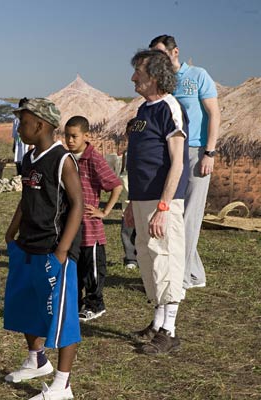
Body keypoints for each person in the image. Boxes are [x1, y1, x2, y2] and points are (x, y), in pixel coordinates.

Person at [3, 98, 83, 400]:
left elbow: (78, 204)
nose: (19, 129)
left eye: (23, 123)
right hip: (27, 244)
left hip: (54, 248)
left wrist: (63, 249)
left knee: (61, 317)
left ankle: (63, 384)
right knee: (26, 304)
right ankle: (37, 360)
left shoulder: (62, 159)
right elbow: (26, 199)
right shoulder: (29, 158)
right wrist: (12, 230)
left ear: (40, 124)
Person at [124, 49, 189, 355]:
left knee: (166, 257)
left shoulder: (169, 108)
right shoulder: (142, 111)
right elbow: (138, 160)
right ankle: (157, 320)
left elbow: (177, 163)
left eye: (139, 72)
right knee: (147, 257)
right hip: (141, 197)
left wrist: (164, 206)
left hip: (163, 199)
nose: (133, 77)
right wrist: (130, 202)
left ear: (155, 76)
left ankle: (170, 331)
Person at [149, 35, 221, 290]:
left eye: (161, 53)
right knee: (176, 213)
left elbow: (214, 114)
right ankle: (194, 274)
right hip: (170, 152)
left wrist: (209, 153)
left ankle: (181, 275)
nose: (158, 59)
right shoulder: (162, 83)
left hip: (195, 151)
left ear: (175, 51)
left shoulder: (199, 76)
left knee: (190, 214)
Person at [64, 116, 123, 322]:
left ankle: (95, 304)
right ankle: (76, 304)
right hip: (71, 225)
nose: (70, 140)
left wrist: (104, 212)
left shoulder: (94, 159)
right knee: (75, 268)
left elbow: (116, 185)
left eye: (74, 136)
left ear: (86, 136)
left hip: (90, 227)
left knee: (93, 270)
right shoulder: (66, 159)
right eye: (67, 136)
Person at [120, 118, 138, 270]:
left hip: (141, 195)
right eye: (129, 133)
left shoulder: (146, 151)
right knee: (127, 229)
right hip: (127, 198)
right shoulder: (126, 153)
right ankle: (130, 258)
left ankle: (141, 256)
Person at [11, 97, 30, 175]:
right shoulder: (16, 120)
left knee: (27, 165)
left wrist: (31, 146)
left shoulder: (30, 119)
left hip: (27, 147)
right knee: (19, 164)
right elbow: (15, 135)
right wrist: (14, 145)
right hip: (19, 146)